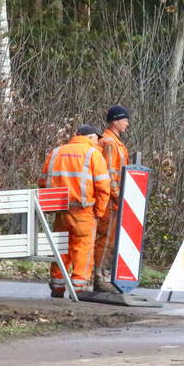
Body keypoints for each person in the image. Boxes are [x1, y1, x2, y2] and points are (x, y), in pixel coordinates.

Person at [38, 124, 111, 297]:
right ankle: (78, 288)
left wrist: (49, 205)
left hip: (60, 210)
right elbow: (103, 187)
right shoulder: (93, 154)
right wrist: (99, 212)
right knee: (83, 248)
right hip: (83, 211)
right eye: (96, 139)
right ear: (92, 138)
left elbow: (42, 181)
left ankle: (57, 285)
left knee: (62, 246)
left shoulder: (56, 152)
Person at [93, 105, 131, 292]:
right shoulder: (109, 143)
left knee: (107, 239)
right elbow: (109, 174)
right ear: (115, 121)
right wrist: (119, 198)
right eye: (124, 120)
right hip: (109, 201)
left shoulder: (113, 142)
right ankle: (100, 278)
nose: (127, 123)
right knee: (106, 239)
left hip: (111, 199)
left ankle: (102, 276)